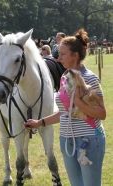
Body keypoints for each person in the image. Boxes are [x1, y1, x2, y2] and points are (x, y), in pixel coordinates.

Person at [25, 28, 106, 186]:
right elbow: (64, 113)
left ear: (75, 56)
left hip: (88, 141)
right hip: (67, 140)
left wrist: (79, 101)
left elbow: (101, 114)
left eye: (62, 54)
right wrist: (39, 122)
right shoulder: (64, 77)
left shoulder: (90, 78)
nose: (58, 58)